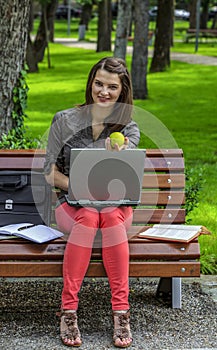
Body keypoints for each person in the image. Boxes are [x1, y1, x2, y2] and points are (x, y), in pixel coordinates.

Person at [44, 57, 140, 348]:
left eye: (112, 87)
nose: (104, 91)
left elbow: (126, 171)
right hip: (72, 204)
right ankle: (69, 311)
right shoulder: (64, 120)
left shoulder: (128, 129)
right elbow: (49, 172)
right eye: (99, 83)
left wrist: (119, 151)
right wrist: (76, 185)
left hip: (115, 206)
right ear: (90, 83)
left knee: (108, 215)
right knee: (87, 214)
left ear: (122, 91)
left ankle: (121, 313)